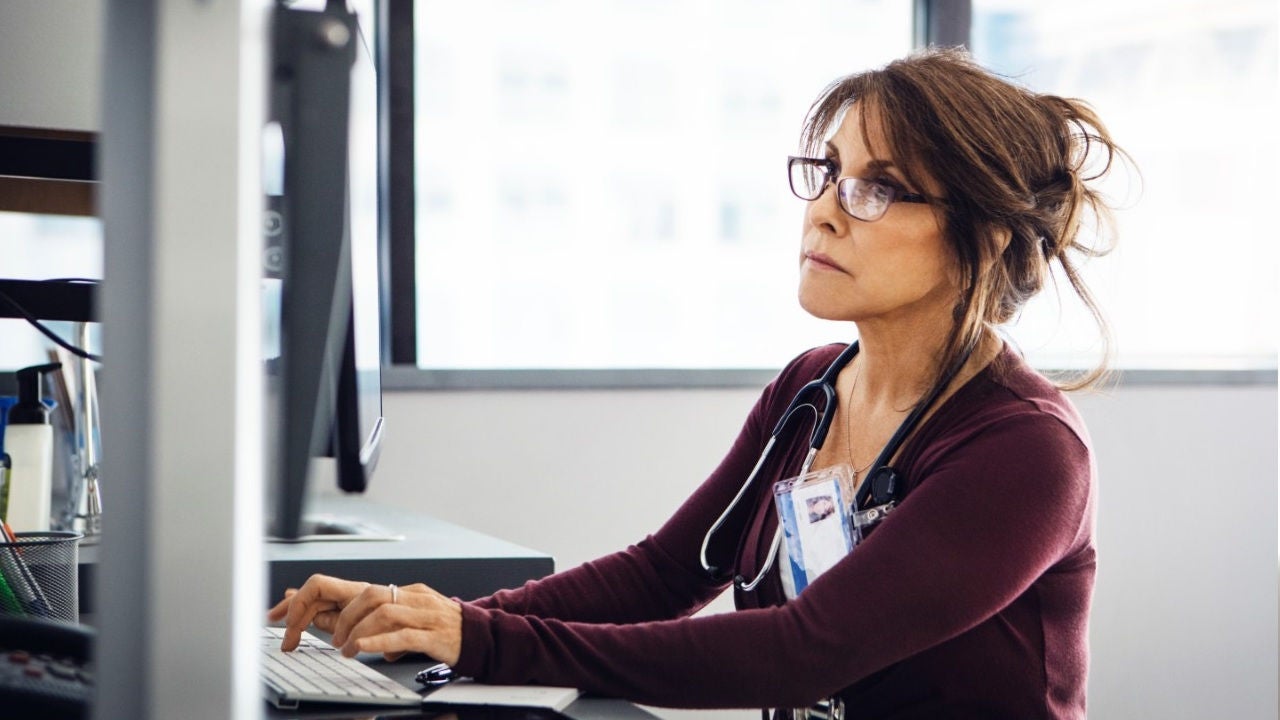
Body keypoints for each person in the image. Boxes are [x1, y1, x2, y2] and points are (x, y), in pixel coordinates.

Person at [269, 47, 1130, 719]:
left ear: (980, 240)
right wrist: (419, 621)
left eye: (880, 189)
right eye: (828, 171)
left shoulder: (1024, 452)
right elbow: (664, 574)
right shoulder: (811, 390)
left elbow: (804, 652)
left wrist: (484, 638)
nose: (824, 208)